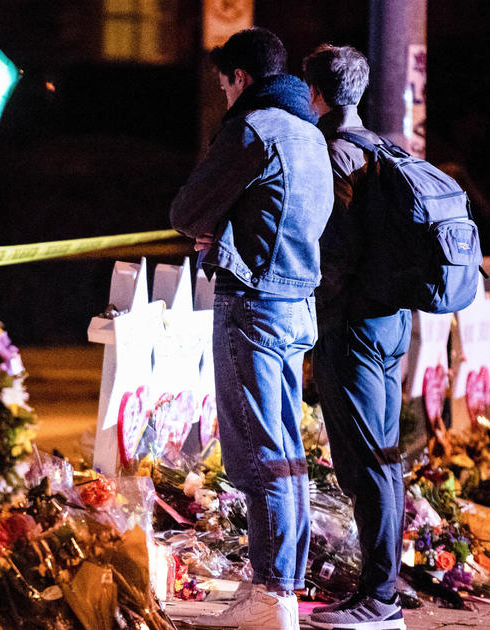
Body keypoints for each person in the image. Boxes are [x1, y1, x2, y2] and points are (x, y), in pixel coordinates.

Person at [169, 27, 333, 630]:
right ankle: (280, 586)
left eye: (224, 84)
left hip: (254, 305)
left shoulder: (254, 128)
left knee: (262, 452)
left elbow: (186, 210)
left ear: (241, 78)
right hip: (297, 305)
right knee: (288, 452)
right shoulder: (311, 135)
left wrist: (216, 228)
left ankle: (271, 595)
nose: (224, 96)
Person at [302, 44, 409, 630]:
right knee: (385, 457)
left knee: (366, 460)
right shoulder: (386, 148)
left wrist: (315, 302)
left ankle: (381, 597)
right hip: (394, 322)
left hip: (353, 325)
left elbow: (335, 253)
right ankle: (383, 584)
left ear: (315, 94)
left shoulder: (332, 154)